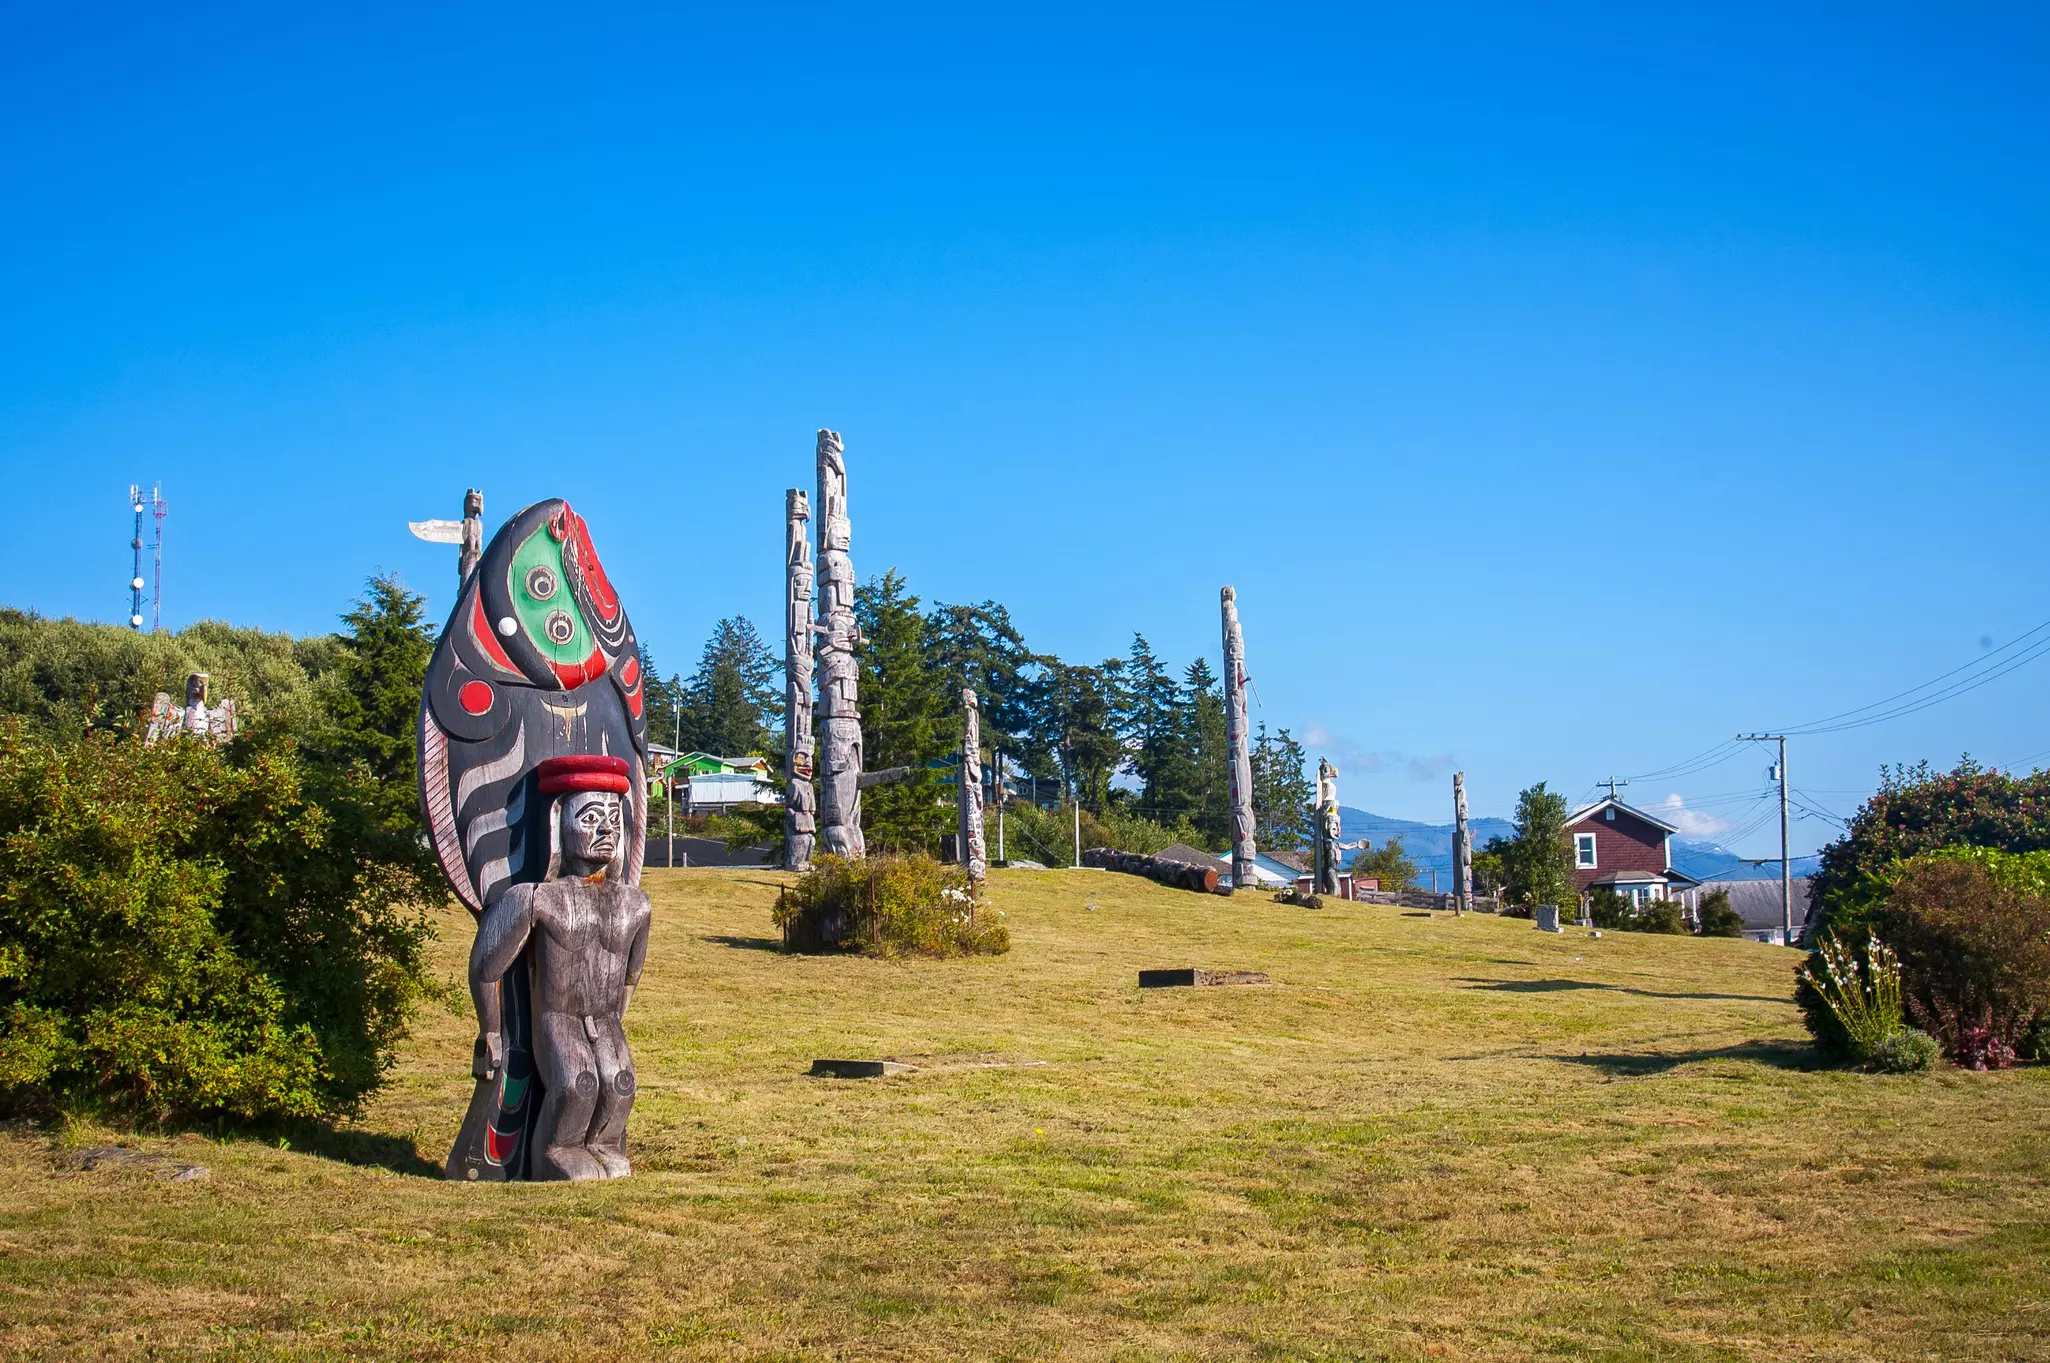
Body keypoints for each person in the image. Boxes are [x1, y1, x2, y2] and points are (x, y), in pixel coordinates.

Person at [470, 755, 651, 1180]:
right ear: (558, 824)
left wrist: (615, 1022)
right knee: (577, 1084)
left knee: (621, 1084)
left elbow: (630, 975)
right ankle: (557, 1149)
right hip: (557, 1018)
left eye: (612, 818)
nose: (605, 828)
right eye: (590, 816)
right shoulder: (536, 899)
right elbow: (486, 967)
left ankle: (603, 1147)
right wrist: (490, 1031)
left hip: (605, 1018)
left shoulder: (635, 904)